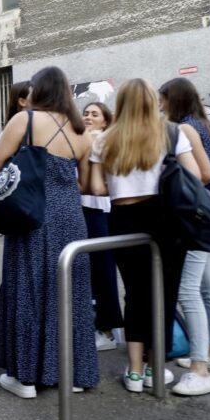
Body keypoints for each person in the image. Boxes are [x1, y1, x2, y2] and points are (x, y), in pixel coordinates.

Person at [0, 66, 97, 398]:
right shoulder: (82, 131)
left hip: (31, 216)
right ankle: (73, 374)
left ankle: (25, 378)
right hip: (71, 218)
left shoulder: (25, 120)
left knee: (28, 291)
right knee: (70, 294)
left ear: (40, 89)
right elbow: (85, 184)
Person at [90, 78, 200, 393]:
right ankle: (155, 367)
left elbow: (96, 188)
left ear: (120, 104)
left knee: (135, 294)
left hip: (123, 218)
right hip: (166, 218)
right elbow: (194, 176)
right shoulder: (171, 133)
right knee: (164, 294)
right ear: (153, 102)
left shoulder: (104, 139)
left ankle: (135, 371)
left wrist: (119, 183)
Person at [159, 78, 210, 395]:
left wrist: (187, 190)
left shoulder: (185, 129)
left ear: (174, 99)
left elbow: (203, 173)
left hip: (195, 218)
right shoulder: (206, 126)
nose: (160, 105)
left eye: (163, 99)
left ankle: (202, 366)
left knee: (188, 290)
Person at [81, 102, 124, 352]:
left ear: (105, 121)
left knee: (103, 270)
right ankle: (103, 325)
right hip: (85, 208)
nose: (88, 117)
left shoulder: (104, 140)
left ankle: (107, 329)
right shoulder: (85, 138)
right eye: (86, 113)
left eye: (94, 114)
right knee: (91, 270)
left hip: (100, 210)